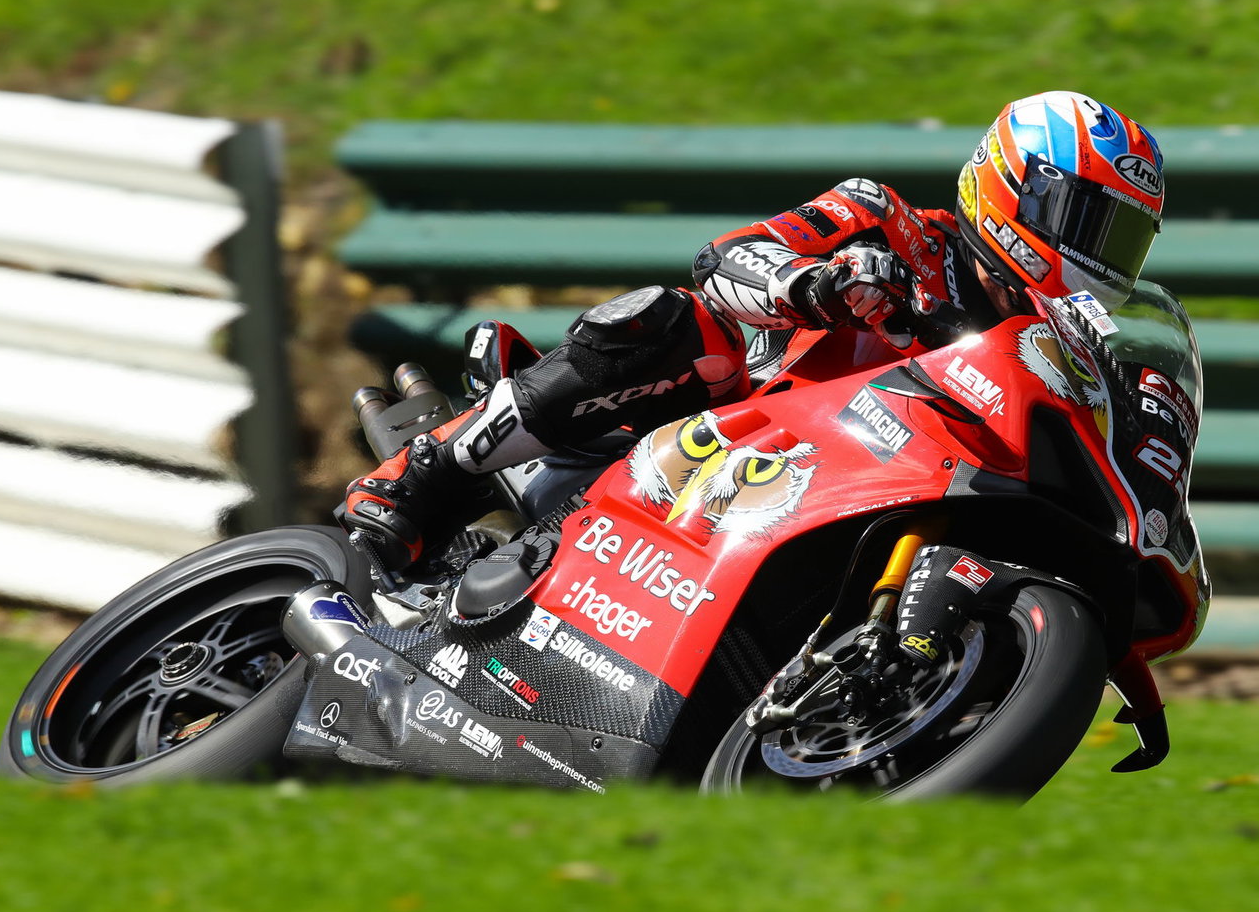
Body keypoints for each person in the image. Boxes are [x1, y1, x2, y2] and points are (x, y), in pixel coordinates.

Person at [338, 90, 1169, 569]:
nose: (1099, 258)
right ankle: (431, 469)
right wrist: (814, 285)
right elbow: (728, 259)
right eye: (1087, 223)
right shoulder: (890, 222)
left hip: (844, 508)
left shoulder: (1051, 357)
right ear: (1013, 185)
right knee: (680, 324)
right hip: (720, 441)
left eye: (1121, 242)